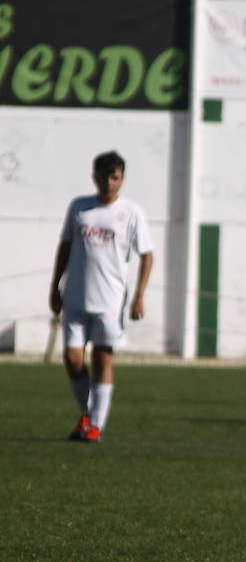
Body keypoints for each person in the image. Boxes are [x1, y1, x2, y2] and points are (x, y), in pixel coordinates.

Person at [47, 151, 155, 444]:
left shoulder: (131, 212)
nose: (109, 183)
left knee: (102, 357)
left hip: (110, 300)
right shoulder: (80, 208)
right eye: (104, 177)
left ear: (122, 179)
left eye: (115, 177)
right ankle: (88, 413)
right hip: (75, 297)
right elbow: (65, 247)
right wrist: (55, 286)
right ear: (94, 177)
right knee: (72, 359)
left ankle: (95, 426)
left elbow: (147, 255)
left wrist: (139, 296)